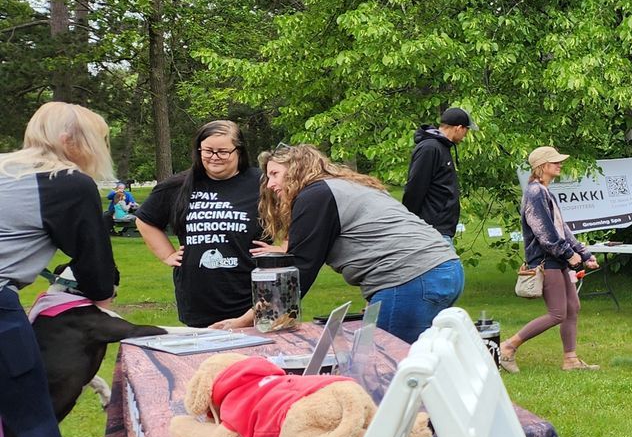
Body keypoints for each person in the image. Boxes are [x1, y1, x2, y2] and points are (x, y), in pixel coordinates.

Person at [0, 102, 129, 437]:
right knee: (33, 418)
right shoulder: (66, 182)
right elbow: (96, 274)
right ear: (73, 141)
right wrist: (99, 292)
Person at [230, 143, 465, 345]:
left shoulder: (314, 196)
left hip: (410, 278)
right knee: (423, 362)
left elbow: (301, 270)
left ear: (296, 170)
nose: (270, 184)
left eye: (275, 174)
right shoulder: (345, 186)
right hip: (445, 268)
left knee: (391, 369)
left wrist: (245, 321)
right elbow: (381, 237)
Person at [134, 118, 264, 327]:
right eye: (208, 151)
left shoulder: (261, 183)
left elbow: (293, 215)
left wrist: (283, 244)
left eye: (223, 151)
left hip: (250, 298)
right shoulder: (178, 185)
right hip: (198, 299)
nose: (215, 157)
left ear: (239, 151)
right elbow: (145, 219)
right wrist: (167, 254)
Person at [500, 145, 599, 372]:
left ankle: (570, 359)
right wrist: (568, 254)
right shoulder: (535, 193)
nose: (560, 164)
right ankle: (508, 347)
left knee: (572, 307)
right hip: (546, 262)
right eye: (555, 161)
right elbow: (545, 233)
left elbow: (562, 230)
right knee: (557, 313)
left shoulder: (545, 192)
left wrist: (585, 255)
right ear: (542, 166)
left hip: (556, 260)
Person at [400, 106, 471, 239]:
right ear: (459, 128)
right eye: (466, 131)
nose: (465, 136)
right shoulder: (430, 148)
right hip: (431, 230)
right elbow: (415, 188)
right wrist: (408, 222)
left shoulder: (442, 147)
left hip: (440, 229)